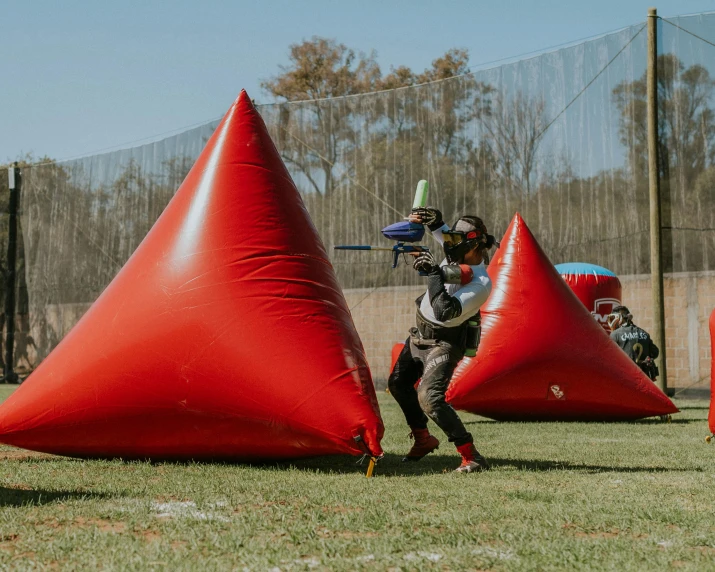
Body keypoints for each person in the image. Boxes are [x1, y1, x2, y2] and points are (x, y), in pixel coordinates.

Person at [387, 207, 496, 473]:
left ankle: (472, 456)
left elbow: (444, 311)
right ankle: (423, 440)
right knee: (398, 384)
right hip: (419, 334)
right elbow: (439, 228)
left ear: (472, 245)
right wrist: (433, 219)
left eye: (454, 240)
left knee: (430, 398)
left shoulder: (481, 283)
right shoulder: (457, 245)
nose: (448, 243)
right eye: (449, 238)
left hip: (444, 342)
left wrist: (433, 274)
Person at [608, 305, 659, 381]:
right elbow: (655, 352)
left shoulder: (615, 335)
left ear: (619, 318)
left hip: (625, 380)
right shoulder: (644, 333)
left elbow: (608, 357)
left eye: (613, 319)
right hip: (644, 381)